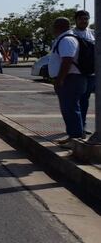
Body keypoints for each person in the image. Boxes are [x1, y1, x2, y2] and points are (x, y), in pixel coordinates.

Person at [49, 17, 86, 147]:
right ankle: (73, 136)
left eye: (54, 25)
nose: (52, 29)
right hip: (70, 78)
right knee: (69, 108)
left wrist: (60, 79)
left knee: (70, 109)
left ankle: (75, 139)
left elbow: (67, 61)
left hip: (71, 79)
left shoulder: (67, 40)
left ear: (59, 26)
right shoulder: (65, 39)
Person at [74, 10, 95, 138]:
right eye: (81, 18)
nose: (84, 21)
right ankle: (75, 127)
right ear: (76, 20)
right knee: (75, 100)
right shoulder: (72, 34)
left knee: (85, 100)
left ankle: (83, 125)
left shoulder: (93, 34)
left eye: (86, 18)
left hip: (91, 72)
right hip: (77, 72)